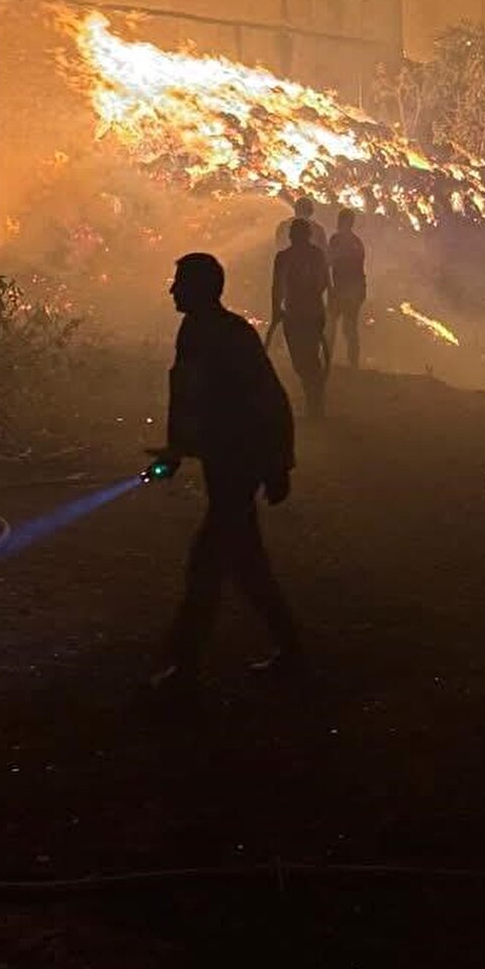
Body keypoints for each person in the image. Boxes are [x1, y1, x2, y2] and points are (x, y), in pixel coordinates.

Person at [149, 252, 300, 691]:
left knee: (207, 565)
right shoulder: (198, 331)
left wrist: (278, 464)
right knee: (247, 565)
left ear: (200, 288)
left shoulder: (226, 335)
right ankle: (291, 651)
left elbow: (269, 400)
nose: (172, 290)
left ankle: (185, 669)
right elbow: (193, 398)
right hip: (230, 465)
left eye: (180, 282)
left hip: (239, 465)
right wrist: (177, 451)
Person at [268, 218, 330, 418]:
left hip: (298, 313)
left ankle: (315, 402)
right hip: (310, 312)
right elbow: (322, 283)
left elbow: (277, 287)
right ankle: (315, 399)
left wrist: (277, 310)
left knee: (303, 359)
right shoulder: (315, 255)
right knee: (308, 357)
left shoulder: (285, 257)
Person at [328, 209, 367, 370]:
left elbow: (330, 260)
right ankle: (353, 364)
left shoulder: (336, 239)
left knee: (331, 325)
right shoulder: (357, 242)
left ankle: (326, 359)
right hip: (355, 290)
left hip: (341, 290)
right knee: (350, 327)